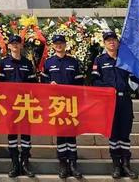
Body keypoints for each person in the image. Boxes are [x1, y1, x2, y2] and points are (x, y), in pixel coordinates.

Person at [92, 31, 139, 179]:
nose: (111, 42)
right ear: (104, 43)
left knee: (125, 133)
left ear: (118, 42)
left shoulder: (126, 59)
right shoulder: (99, 60)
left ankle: (126, 164)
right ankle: (116, 166)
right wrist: (108, 89)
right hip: (108, 102)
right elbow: (95, 80)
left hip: (124, 100)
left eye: (114, 40)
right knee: (113, 134)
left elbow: (135, 79)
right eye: (108, 40)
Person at [41, 34, 84, 179]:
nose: (59, 45)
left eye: (61, 43)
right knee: (60, 134)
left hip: (71, 103)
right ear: (53, 46)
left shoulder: (74, 62)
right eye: (56, 43)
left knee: (71, 134)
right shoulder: (48, 63)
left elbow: (80, 82)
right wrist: (49, 85)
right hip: (56, 103)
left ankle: (73, 163)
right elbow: (43, 82)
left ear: (65, 45)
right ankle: (63, 164)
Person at [0, 34, 37, 178]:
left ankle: (25, 163)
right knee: (12, 135)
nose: (15, 45)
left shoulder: (27, 63)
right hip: (10, 105)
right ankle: (15, 164)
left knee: (26, 135)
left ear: (21, 45)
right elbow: (0, 84)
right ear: (8, 46)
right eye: (12, 43)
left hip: (25, 104)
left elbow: (34, 85)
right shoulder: (3, 63)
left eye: (17, 43)